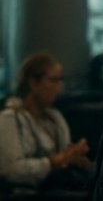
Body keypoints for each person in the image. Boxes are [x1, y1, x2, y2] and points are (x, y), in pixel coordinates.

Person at [0, 52, 93, 192]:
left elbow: (64, 158)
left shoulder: (55, 118)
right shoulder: (10, 119)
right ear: (33, 83)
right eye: (53, 80)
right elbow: (11, 170)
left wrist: (76, 158)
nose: (59, 87)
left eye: (60, 80)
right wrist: (53, 162)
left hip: (57, 190)